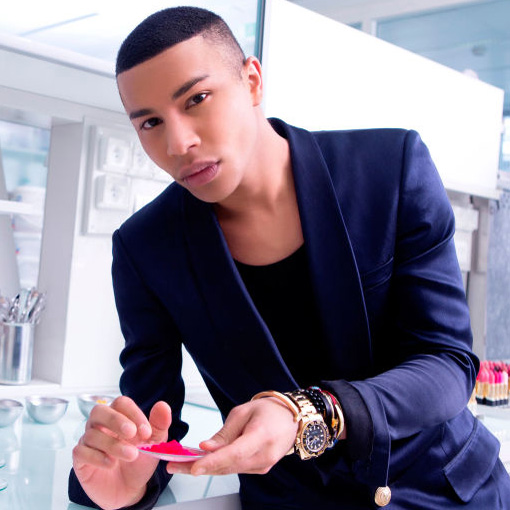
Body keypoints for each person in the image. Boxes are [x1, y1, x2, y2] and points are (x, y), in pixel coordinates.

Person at [69, 6, 510, 510]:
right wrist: (126, 485)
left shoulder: (390, 170)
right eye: (150, 122)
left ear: (252, 81)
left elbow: (448, 363)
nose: (179, 143)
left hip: (446, 492)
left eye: (197, 99)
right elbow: (153, 422)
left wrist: (312, 412)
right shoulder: (145, 248)